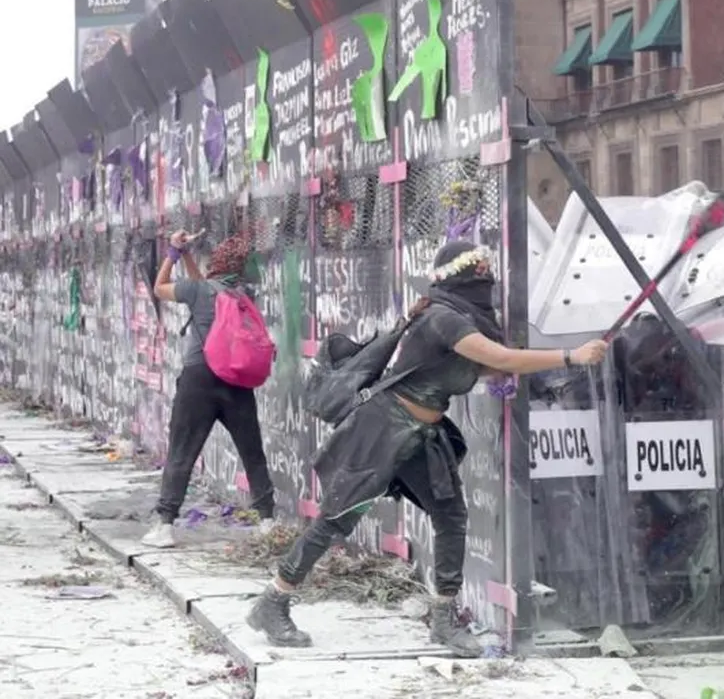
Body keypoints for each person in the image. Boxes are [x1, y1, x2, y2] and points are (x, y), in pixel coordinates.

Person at [245, 240, 609, 657]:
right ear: (460, 274)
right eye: (479, 269)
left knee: (450, 516)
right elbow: (502, 358)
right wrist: (570, 356)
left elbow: (486, 365)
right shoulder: (444, 318)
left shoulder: (460, 319)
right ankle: (273, 601)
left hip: (420, 434)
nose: (487, 277)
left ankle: (443, 618)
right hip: (381, 430)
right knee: (336, 518)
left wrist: (547, 365)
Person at [142, 231, 276, 548]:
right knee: (252, 451)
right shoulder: (243, 295)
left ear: (215, 262)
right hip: (236, 380)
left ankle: (165, 525)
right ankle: (268, 521)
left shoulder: (198, 291)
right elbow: (203, 284)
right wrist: (188, 255)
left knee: (182, 451)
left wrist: (174, 252)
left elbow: (160, 288)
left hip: (199, 379)